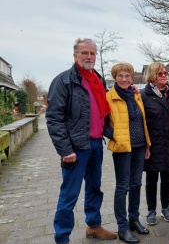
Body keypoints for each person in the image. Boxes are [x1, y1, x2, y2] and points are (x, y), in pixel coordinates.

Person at [46, 38, 117, 244]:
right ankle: (62, 238)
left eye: (92, 53)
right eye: (84, 53)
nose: (89, 57)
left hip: (96, 144)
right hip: (75, 148)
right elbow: (54, 118)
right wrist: (65, 150)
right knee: (69, 195)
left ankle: (93, 226)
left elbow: (102, 108)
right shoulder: (64, 81)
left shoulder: (97, 79)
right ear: (75, 55)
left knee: (95, 188)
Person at [104, 63, 151, 243]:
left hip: (139, 146)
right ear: (115, 77)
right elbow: (102, 123)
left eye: (128, 76)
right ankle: (122, 227)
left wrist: (147, 144)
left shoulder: (135, 95)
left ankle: (134, 220)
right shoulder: (109, 97)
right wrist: (115, 136)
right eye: (120, 75)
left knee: (136, 184)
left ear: (132, 78)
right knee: (123, 187)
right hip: (123, 148)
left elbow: (142, 121)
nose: (124, 79)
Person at [141, 62, 169, 225]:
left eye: (165, 73)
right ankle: (151, 210)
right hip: (153, 144)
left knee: (168, 176)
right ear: (152, 76)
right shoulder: (143, 95)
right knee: (151, 178)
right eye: (160, 74)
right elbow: (140, 121)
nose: (165, 75)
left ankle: (165, 207)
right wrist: (145, 144)